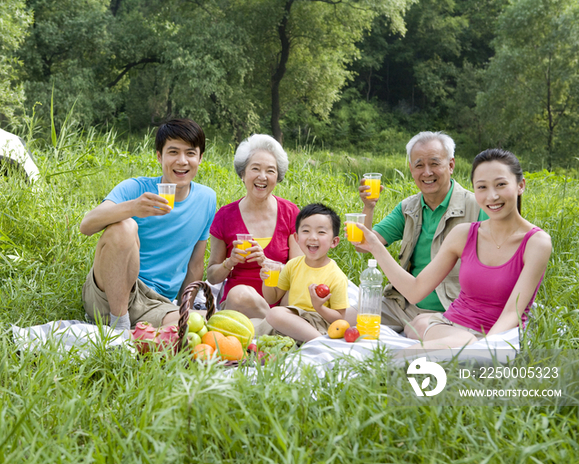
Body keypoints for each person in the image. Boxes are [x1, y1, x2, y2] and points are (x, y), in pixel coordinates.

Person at [352, 149, 551, 349]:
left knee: (462, 341)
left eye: (501, 184)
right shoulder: (463, 234)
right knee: (424, 327)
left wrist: (485, 348)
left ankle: (398, 359)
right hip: (451, 326)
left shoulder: (536, 242)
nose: (492, 196)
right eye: (482, 187)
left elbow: (512, 313)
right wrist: (376, 248)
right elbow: (415, 291)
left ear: (520, 185)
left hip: (496, 334)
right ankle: (394, 361)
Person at [79, 119, 217, 329]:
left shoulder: (206, 199)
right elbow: (86, 225)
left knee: (196, 325)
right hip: (110, 291)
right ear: (159, 156)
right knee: (125, 226)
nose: (182, 161)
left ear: (200, 158)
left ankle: (132, 327)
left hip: (155, 303)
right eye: (173, 152)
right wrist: (133, 208)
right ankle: (119, 326)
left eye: (190, 153)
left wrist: (184, 306)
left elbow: (196, 264)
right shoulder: (135, 188)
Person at [358, 131, 487, 333]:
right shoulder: (408, 208)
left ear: (451, 165)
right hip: (403, 306)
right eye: (419, 165)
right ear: (411, 169)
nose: (427, 172)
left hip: (450, 311)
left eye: (435, 164)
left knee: (417, 331)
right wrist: (369, 207)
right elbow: (364, 246)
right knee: (346, 316)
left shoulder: (478, 208)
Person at [206, 134, 302, 318]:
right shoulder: (225, 216)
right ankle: (278, 324)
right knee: (240, 294)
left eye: (270, 171)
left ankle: (275, 323)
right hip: (240, 305)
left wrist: (267, 263)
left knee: (303, 290)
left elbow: (299, 269)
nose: (262, 177)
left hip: (280, 300)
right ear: (243, 173)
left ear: (278, 176)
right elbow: (212, 276)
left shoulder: (290, 212)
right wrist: (230, 262)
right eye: (255, 168)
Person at [261, 203, 357, 342]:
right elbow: (272, 299)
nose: (313, 237)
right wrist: (267, 281)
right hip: (294, 320)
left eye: (321, 232)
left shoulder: (336, 275)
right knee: (254, 324)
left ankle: (320, 342)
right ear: (296, 238)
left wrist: (318, 306)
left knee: (274, 314)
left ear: (334, 241)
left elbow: (339, 318)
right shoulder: (293, 265)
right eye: (306, 231)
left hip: (318, 324)